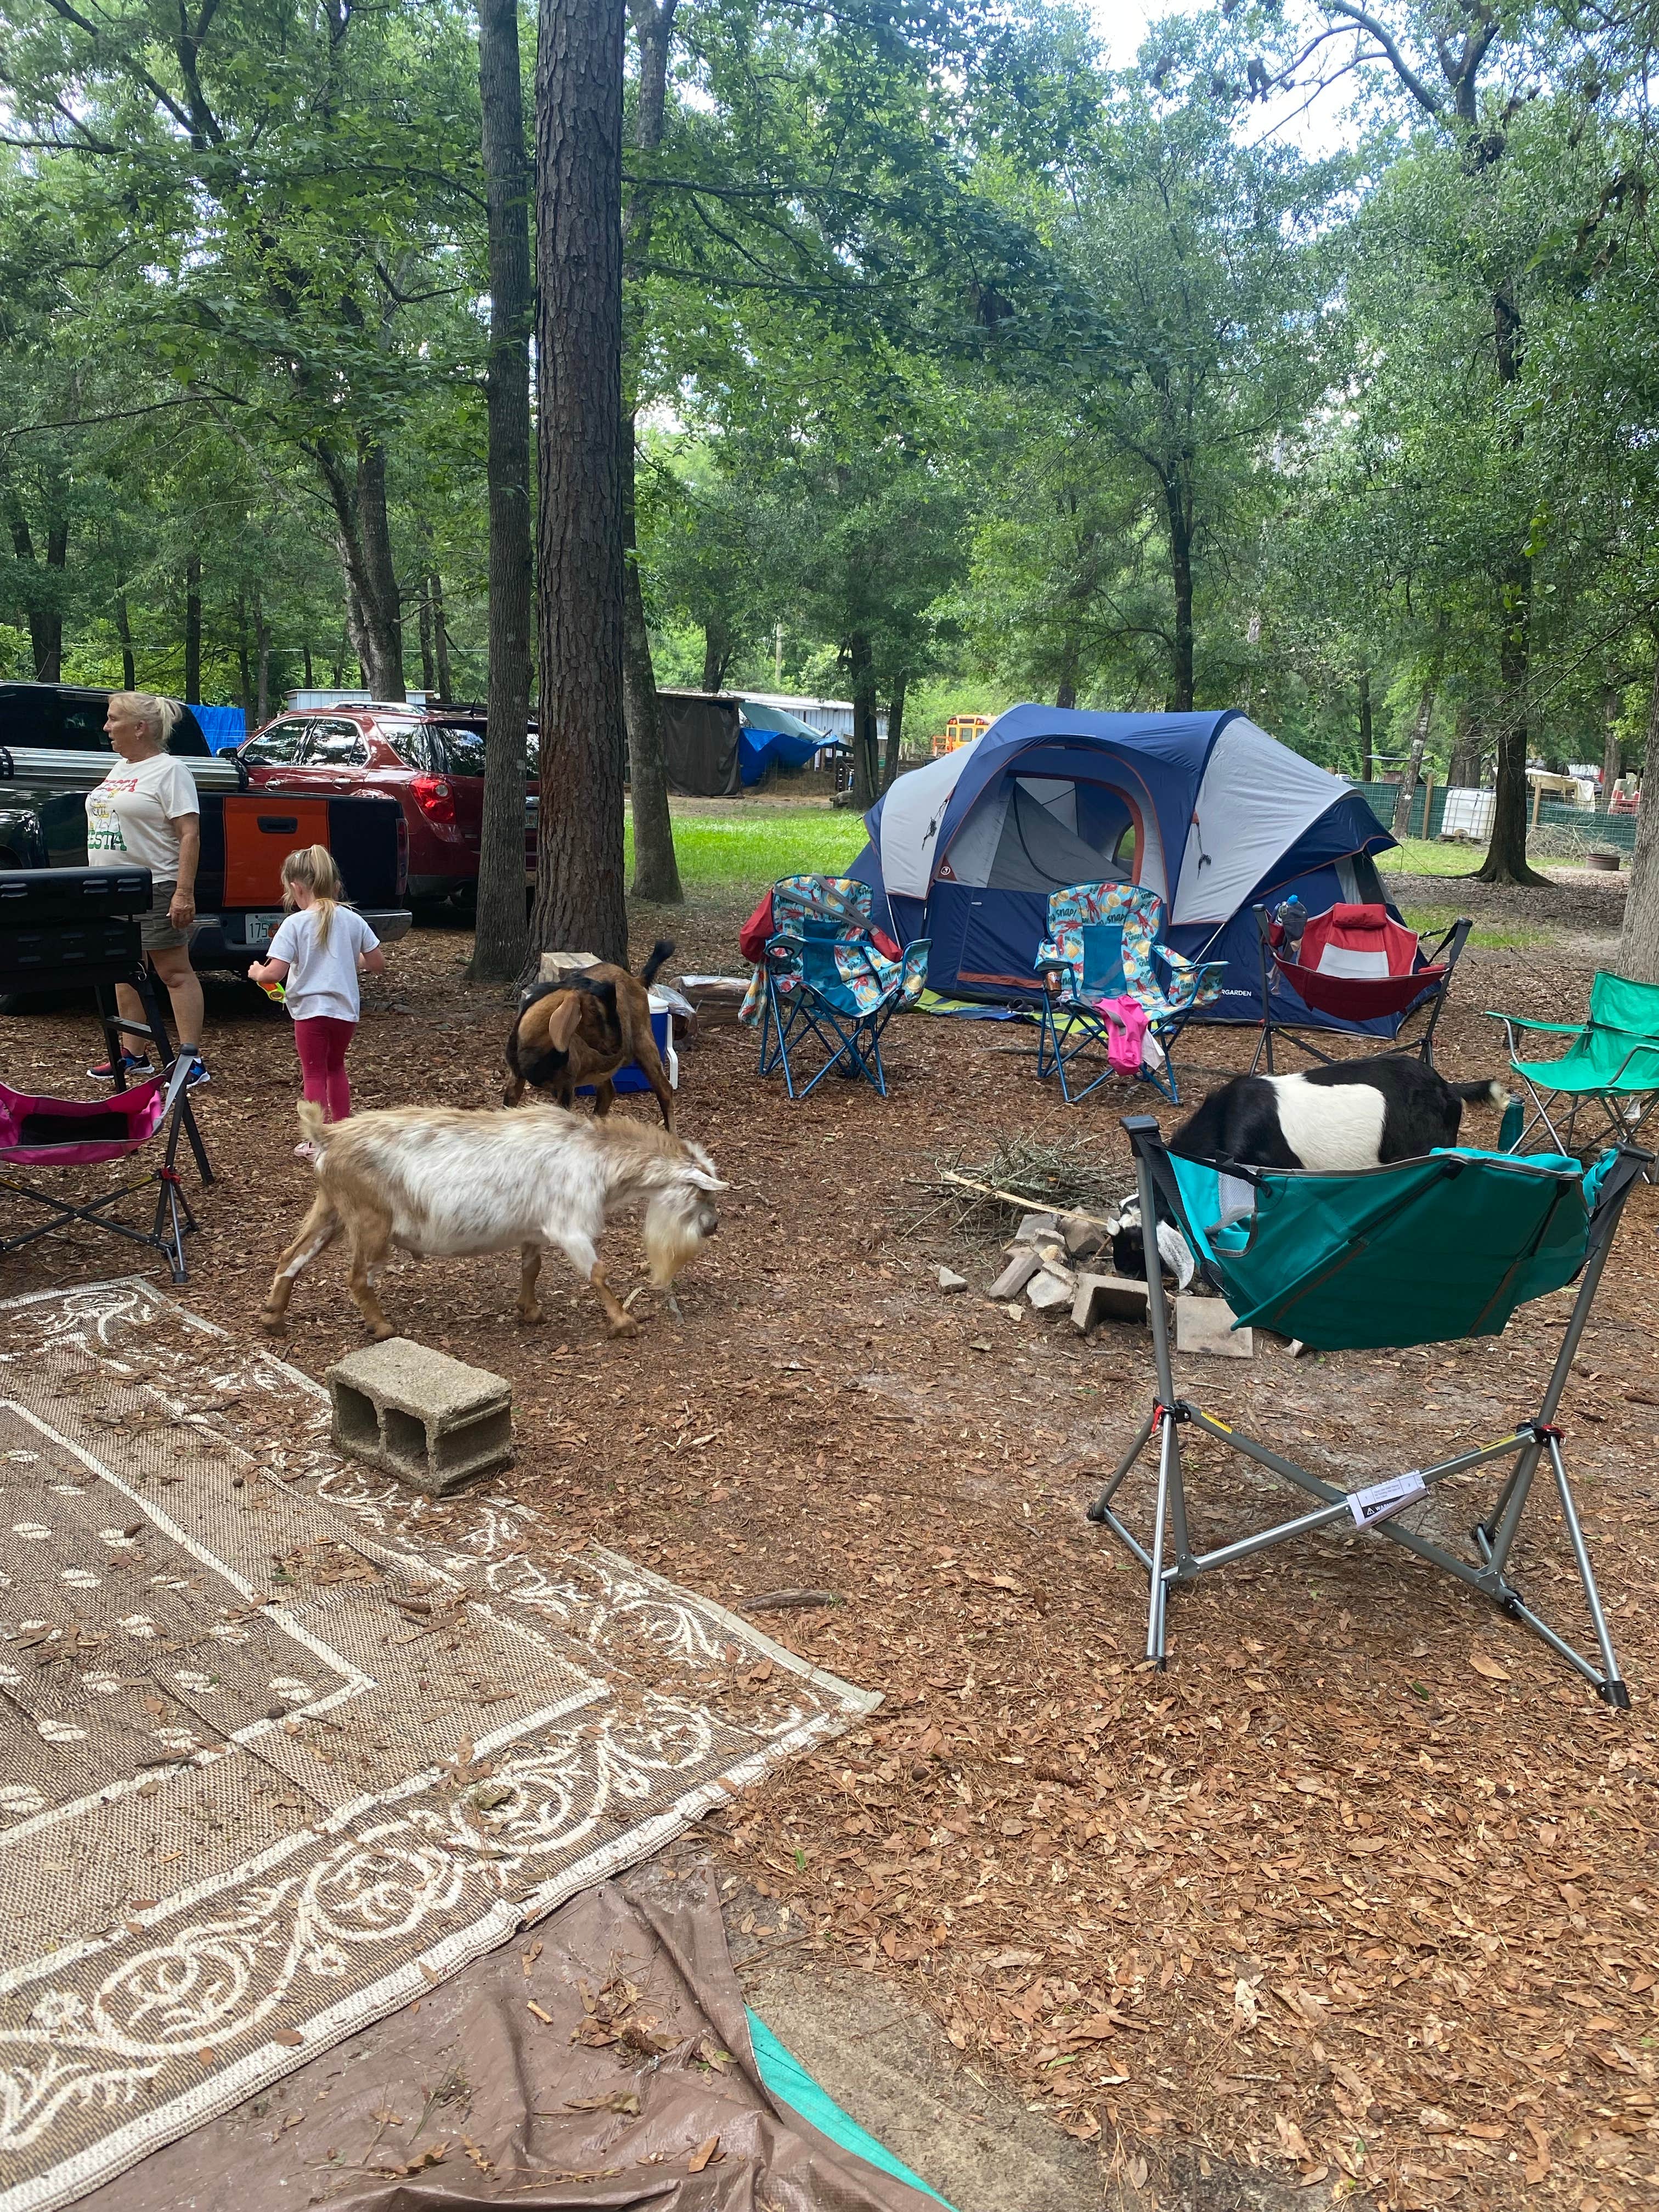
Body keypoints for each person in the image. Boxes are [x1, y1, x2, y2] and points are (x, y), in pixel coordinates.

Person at [84, 691, 208, 1086]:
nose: (106, 727)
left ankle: (191, 1060)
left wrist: (183, 892)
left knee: (173, 972)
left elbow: (189, 834)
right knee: (125, 970)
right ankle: (133, 1055)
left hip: (155, 885)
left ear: (140, 728)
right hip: (112, 888)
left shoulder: (171, 771)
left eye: (113, 719)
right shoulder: (120, 768)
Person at [249, 845, 386, 1153]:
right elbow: (377, 963)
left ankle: (318, 1141)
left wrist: (257, 972)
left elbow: (274, 974)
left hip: (310, 1012)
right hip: (345, 1012)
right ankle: (344, 1133)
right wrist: (351, 961)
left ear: (296, 888)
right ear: (336, 887)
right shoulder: (353, 920)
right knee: (336, 1067)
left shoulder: (294, 924)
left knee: (313, 1072)